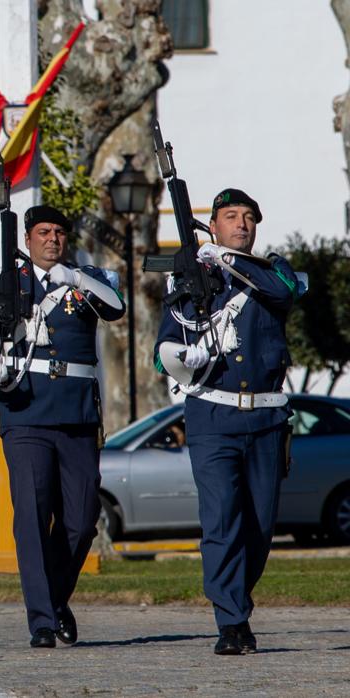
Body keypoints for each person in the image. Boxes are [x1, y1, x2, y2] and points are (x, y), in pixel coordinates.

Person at [0, 205, 125, 649]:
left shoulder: (86, 279)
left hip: (76, 413)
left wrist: (75, 280)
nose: (52, 239)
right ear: (28, 237)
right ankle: (41, 619)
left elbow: (115, 309)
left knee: (80, 521)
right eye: (43, 232)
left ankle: (55, 599)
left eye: (59, 231)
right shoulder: (9, 284)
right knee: (34, 516)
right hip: (26, 412)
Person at [153, 189, 300, 655]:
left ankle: (237, 596)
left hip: (267, 418)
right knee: (221, 521)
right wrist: (183, 357)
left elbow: (283, 291)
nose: (242, 224)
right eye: (231, 217)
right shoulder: (191, 277)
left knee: (258, 527)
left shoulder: (272, 271)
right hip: (213, 416)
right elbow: (165, 347)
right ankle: (232, 622)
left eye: (249, 217)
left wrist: (229, 261)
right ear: (212, 224)